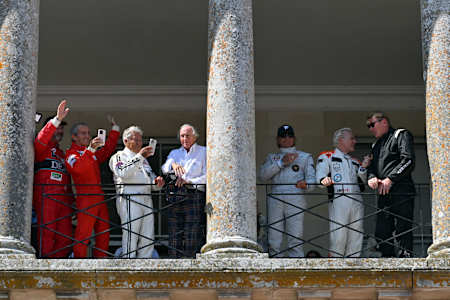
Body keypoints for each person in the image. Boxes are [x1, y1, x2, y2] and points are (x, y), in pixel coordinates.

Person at [65, 116, 120, 258]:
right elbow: (78, 168)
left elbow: (107, 150)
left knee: (104, 233)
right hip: (85, 198)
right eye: (83, 133)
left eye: (88, 133)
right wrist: (90, 150)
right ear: (74, 137)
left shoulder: (91, 152)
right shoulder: (71, 154)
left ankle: (100, 262)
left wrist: (114, 130)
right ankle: (79, 264)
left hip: (99, 197)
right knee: (83, 234)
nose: (87, 136)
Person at [259, 125, 316, 257]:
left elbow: (312, 182)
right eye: (283, 136)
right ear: (278, 139)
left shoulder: (305, 157)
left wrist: (305, 184)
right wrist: (280, 163)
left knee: (295, 233)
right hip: (276, 194)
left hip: (295, 194)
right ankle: (274, 259)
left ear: (294, 138)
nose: (286, 138)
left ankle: (296, 261)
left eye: (290, 135)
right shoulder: (272, 157)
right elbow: (262, 176)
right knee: (274, 234)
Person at [109, 126, 165, 258]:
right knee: (131, 234)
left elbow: (150, 180)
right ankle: (128, 264)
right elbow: (122, 172)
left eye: (140, 140)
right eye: (136, 140)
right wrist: (140, 156)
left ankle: (145, 266)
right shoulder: (119, 156)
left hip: (146, 199)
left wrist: (157, 183)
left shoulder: (143, 160)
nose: (139, 143)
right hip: (129, 198)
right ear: (125, 141)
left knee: (148, 235)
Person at [366, 112, 415, 258]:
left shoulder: (400, 135)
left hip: (402, 190)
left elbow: (408, 160)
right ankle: (389, 259)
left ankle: (405, 260)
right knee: (381, 231)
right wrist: (372, 177)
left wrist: (390, 179)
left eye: (372, 125)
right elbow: (372, 168)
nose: (370, 129)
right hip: (383, 192)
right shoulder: (376, 144)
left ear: (384, 122)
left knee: (403, 227)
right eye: (368, 126)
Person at [316, 128, 371, 257]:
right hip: (339, 199)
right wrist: (323, 179)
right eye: (351, 138)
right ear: (341, 140)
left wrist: (363, 167)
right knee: (339, 233)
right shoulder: (327, 156)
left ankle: (354, 263)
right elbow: (320, 173)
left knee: (357, 233)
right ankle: (336, 263)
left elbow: (362, 183)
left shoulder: (355, 161)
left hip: (357, 200)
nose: (354, 141)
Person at [33, 100, 74, 257]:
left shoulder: (62, 154)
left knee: (65, 236)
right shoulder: (42, 148)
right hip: (46, 195)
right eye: (58, 128)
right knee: (48, 231)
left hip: (63, 200)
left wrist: (72, 202)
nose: (60, 132)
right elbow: (41, 139)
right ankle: (45, 264)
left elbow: (67, 181)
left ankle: (57, 265)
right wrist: (55, 120)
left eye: (62, 129)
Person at [161, 124, 206, 258]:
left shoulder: (204, 151)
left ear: (195, 137)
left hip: (194, 193)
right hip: (176, 192)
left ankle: (190, 260)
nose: (185, 138)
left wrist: (189, 181)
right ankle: (174, 260)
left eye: (187, 135)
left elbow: (208, 175)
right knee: (175, 230)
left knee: (191, 230)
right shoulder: (175, 153)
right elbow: (164, 168)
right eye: (182, 136)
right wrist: (173, 164)